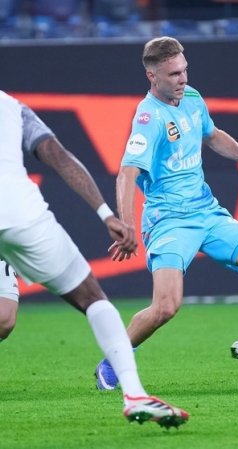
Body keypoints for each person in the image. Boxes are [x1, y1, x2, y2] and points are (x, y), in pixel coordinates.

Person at [94, 36, 238, 390]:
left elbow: (211, 135)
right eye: (173, 74)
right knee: (166, 307)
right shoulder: (148, 118)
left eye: (184, 70)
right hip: (168, 220)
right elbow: (127, 173)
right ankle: (113, 361)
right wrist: (126, 225)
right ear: (152, 76)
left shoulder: (193, 98)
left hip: (206, 212)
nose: (182, 79)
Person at [0, 90, 188, 428]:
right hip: (22, 216)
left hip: (18, 214)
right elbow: (58, 156)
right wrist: (106, 214)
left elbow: (58, 155)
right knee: (92, 298)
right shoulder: (12, 108)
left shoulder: (12, 107)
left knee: (5, 317)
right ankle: (134, 393)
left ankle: (134, 394)